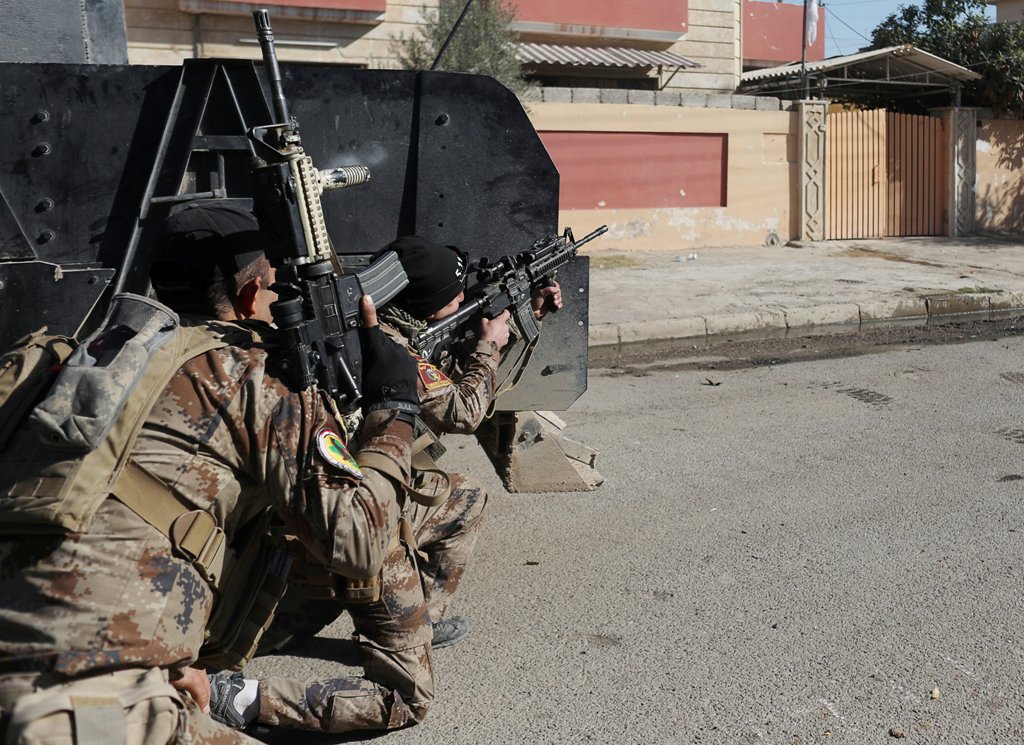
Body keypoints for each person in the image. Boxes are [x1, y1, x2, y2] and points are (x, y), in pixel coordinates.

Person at [0, 200, 422, 742]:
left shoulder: (73, 362)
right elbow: (358, 539)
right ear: (251, 295)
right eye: (273, 288)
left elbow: (92, 529)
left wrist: (173, 667)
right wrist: (394, 412)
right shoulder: (252, 375)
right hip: (78, 715)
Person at [207, 234, 562, 735]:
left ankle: (407, 620)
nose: (460, 303)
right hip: (358, 522)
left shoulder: (359, 334)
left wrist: (529, 315)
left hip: (307, 511)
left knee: (272, 627)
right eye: (454, 297)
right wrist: (490, 346)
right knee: (404, 697)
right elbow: (461, 410)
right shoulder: (390, 352)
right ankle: (235, 697)